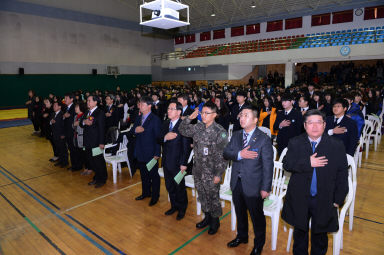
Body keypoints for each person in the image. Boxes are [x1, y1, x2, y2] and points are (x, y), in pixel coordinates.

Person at [282, 109, 348, 255]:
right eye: (310, 123)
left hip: (324, 198)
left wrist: (338, 200)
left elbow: (342, 174)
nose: (315, 126)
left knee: (320, 237)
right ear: (305, 126)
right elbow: (287, 164)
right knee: (300, 235)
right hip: (299, 197)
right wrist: (308, 162)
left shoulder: (336, 145)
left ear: (324, 125)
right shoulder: (296, 142)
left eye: (318, 122)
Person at [224, 105, 274, 255]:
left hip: (254, 184)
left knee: (257, 217)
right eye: (241, 115)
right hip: (237, 182)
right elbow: (226, 152)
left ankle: (259, 244)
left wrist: (266, 187)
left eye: (245, 115)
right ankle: (242, 236)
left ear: (255, 120)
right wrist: (240, 154)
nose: (241, 118)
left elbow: (268, 166)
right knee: (240, 212)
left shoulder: (264, 139)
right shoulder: (237, 135)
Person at [179, 101, 228, 235]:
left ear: (215, 115)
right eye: (202, 112)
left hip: (211, 173)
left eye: (207, 113)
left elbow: (223, 157)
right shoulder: (198, 127)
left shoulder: (220, 132)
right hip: (198, 170)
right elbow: (182, 130)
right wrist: (190, 118)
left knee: (213, 198)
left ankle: (215, 221)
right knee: (202, 196)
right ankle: (207, 218)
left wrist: (218, 174)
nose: (203, 115)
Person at [158, 101, 191, 220]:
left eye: (171, 109)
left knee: (179, 188)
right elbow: (159, 138)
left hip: (178, 163)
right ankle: (174, 206)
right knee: (169, 186)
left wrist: (183, 164)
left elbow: (186, 147)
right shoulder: (166, 123)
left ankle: (182, 208)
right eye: (168, 108)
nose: (168, 111)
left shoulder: (183, 126)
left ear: (178, 112)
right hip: (166, 161)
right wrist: (165, 137)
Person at [129, 96, 161, 206]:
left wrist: (157, 153)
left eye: (142, 104)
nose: (140, 106)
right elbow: (132, 131)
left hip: (151, 152)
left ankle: (155, 196)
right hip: (140, 150)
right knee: (143, 175)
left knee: (153, 176)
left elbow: (158, 137)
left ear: (149, 106)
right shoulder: (139, 118)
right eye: (139, 104)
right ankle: (146, 193)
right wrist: (135, 130)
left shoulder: (155, 119)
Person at [80, 95, 108, 188]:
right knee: (91, 161)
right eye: (87, 101)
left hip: (96, 141)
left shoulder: (99, 113)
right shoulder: (87, 112)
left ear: (95, 102)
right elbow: (81, 122)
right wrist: (84, 122)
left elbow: (102, 129)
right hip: (87, 140)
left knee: (98, 161)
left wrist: (101, 142)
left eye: (89, 101)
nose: (87, 102)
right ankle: (96, 177)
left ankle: (102, 179)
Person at [63, 93, 82, 171]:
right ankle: (73, 164)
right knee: (71, 149)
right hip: (67, 131)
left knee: (74, 150)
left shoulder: (74, 108)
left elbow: (75, 119)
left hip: (73, 132)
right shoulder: (66, 108)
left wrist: (67, 116)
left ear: (71, 99)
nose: (65, 100)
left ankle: (77, 165)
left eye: (66, 98)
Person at [50, 101, 68, 167]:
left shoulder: (62, 114)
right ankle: (60, 161)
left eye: (55, 105)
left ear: (59, 107)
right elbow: (50, 123)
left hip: (61, 135)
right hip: (55, 134)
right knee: (58, 149)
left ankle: (65, 162)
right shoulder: (53, 114)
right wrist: (51, 122)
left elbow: (64, 125)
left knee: (63, 149)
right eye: (53, 105)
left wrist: (63, 134)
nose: (53, 107)